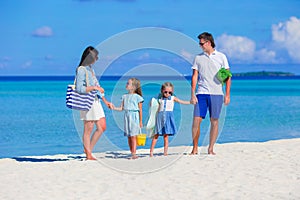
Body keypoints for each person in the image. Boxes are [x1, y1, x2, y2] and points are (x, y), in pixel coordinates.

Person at [190, 32, 231, 155]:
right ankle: (195, 148)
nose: (200, 46)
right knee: (196, 120)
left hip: (217, 94)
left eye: (201, 43)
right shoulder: (198, 58)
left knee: (214, 121)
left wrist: (227, 95)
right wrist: (192, 94)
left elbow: (228, 77)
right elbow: (194, 76)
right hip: (201, 93)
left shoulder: (221, 57)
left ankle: (211, 148)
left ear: (208, 42)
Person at [75, 46, 112, 160]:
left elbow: (97, 88)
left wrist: (105, 101)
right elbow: (79, 89)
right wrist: (94, 87)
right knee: (88, 128)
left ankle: (88, 149)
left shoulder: (91, 69)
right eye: (96, 57)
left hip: (96, 101)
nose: (97, 59)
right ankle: (88, 154)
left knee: (102, 127)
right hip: (87, 102)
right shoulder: (81, 69)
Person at [150, 82, 191, 157]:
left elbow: (181, 101)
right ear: (162, 91)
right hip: (160, 118)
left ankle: (165, 153)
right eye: (165, 92)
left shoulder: (172, 98)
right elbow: (154, 107)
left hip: (168, 118)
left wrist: (190, 102)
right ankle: (151, 152)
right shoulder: (160, 99)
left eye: (170, 92)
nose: (167, 94)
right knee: (156, 135)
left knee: (166, 136)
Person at [111, 78, 144, 159]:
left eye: (128, 83)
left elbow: (140, 110)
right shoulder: (124, 96)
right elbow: (121, 108)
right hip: (127, 117)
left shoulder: (137, 97)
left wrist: (140, 121)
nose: (126, 84)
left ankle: (134, 153)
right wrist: (114, 108)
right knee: (129, 136)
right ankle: (132, 152)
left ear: (133, 87)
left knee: (133, 136)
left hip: (134, 117)